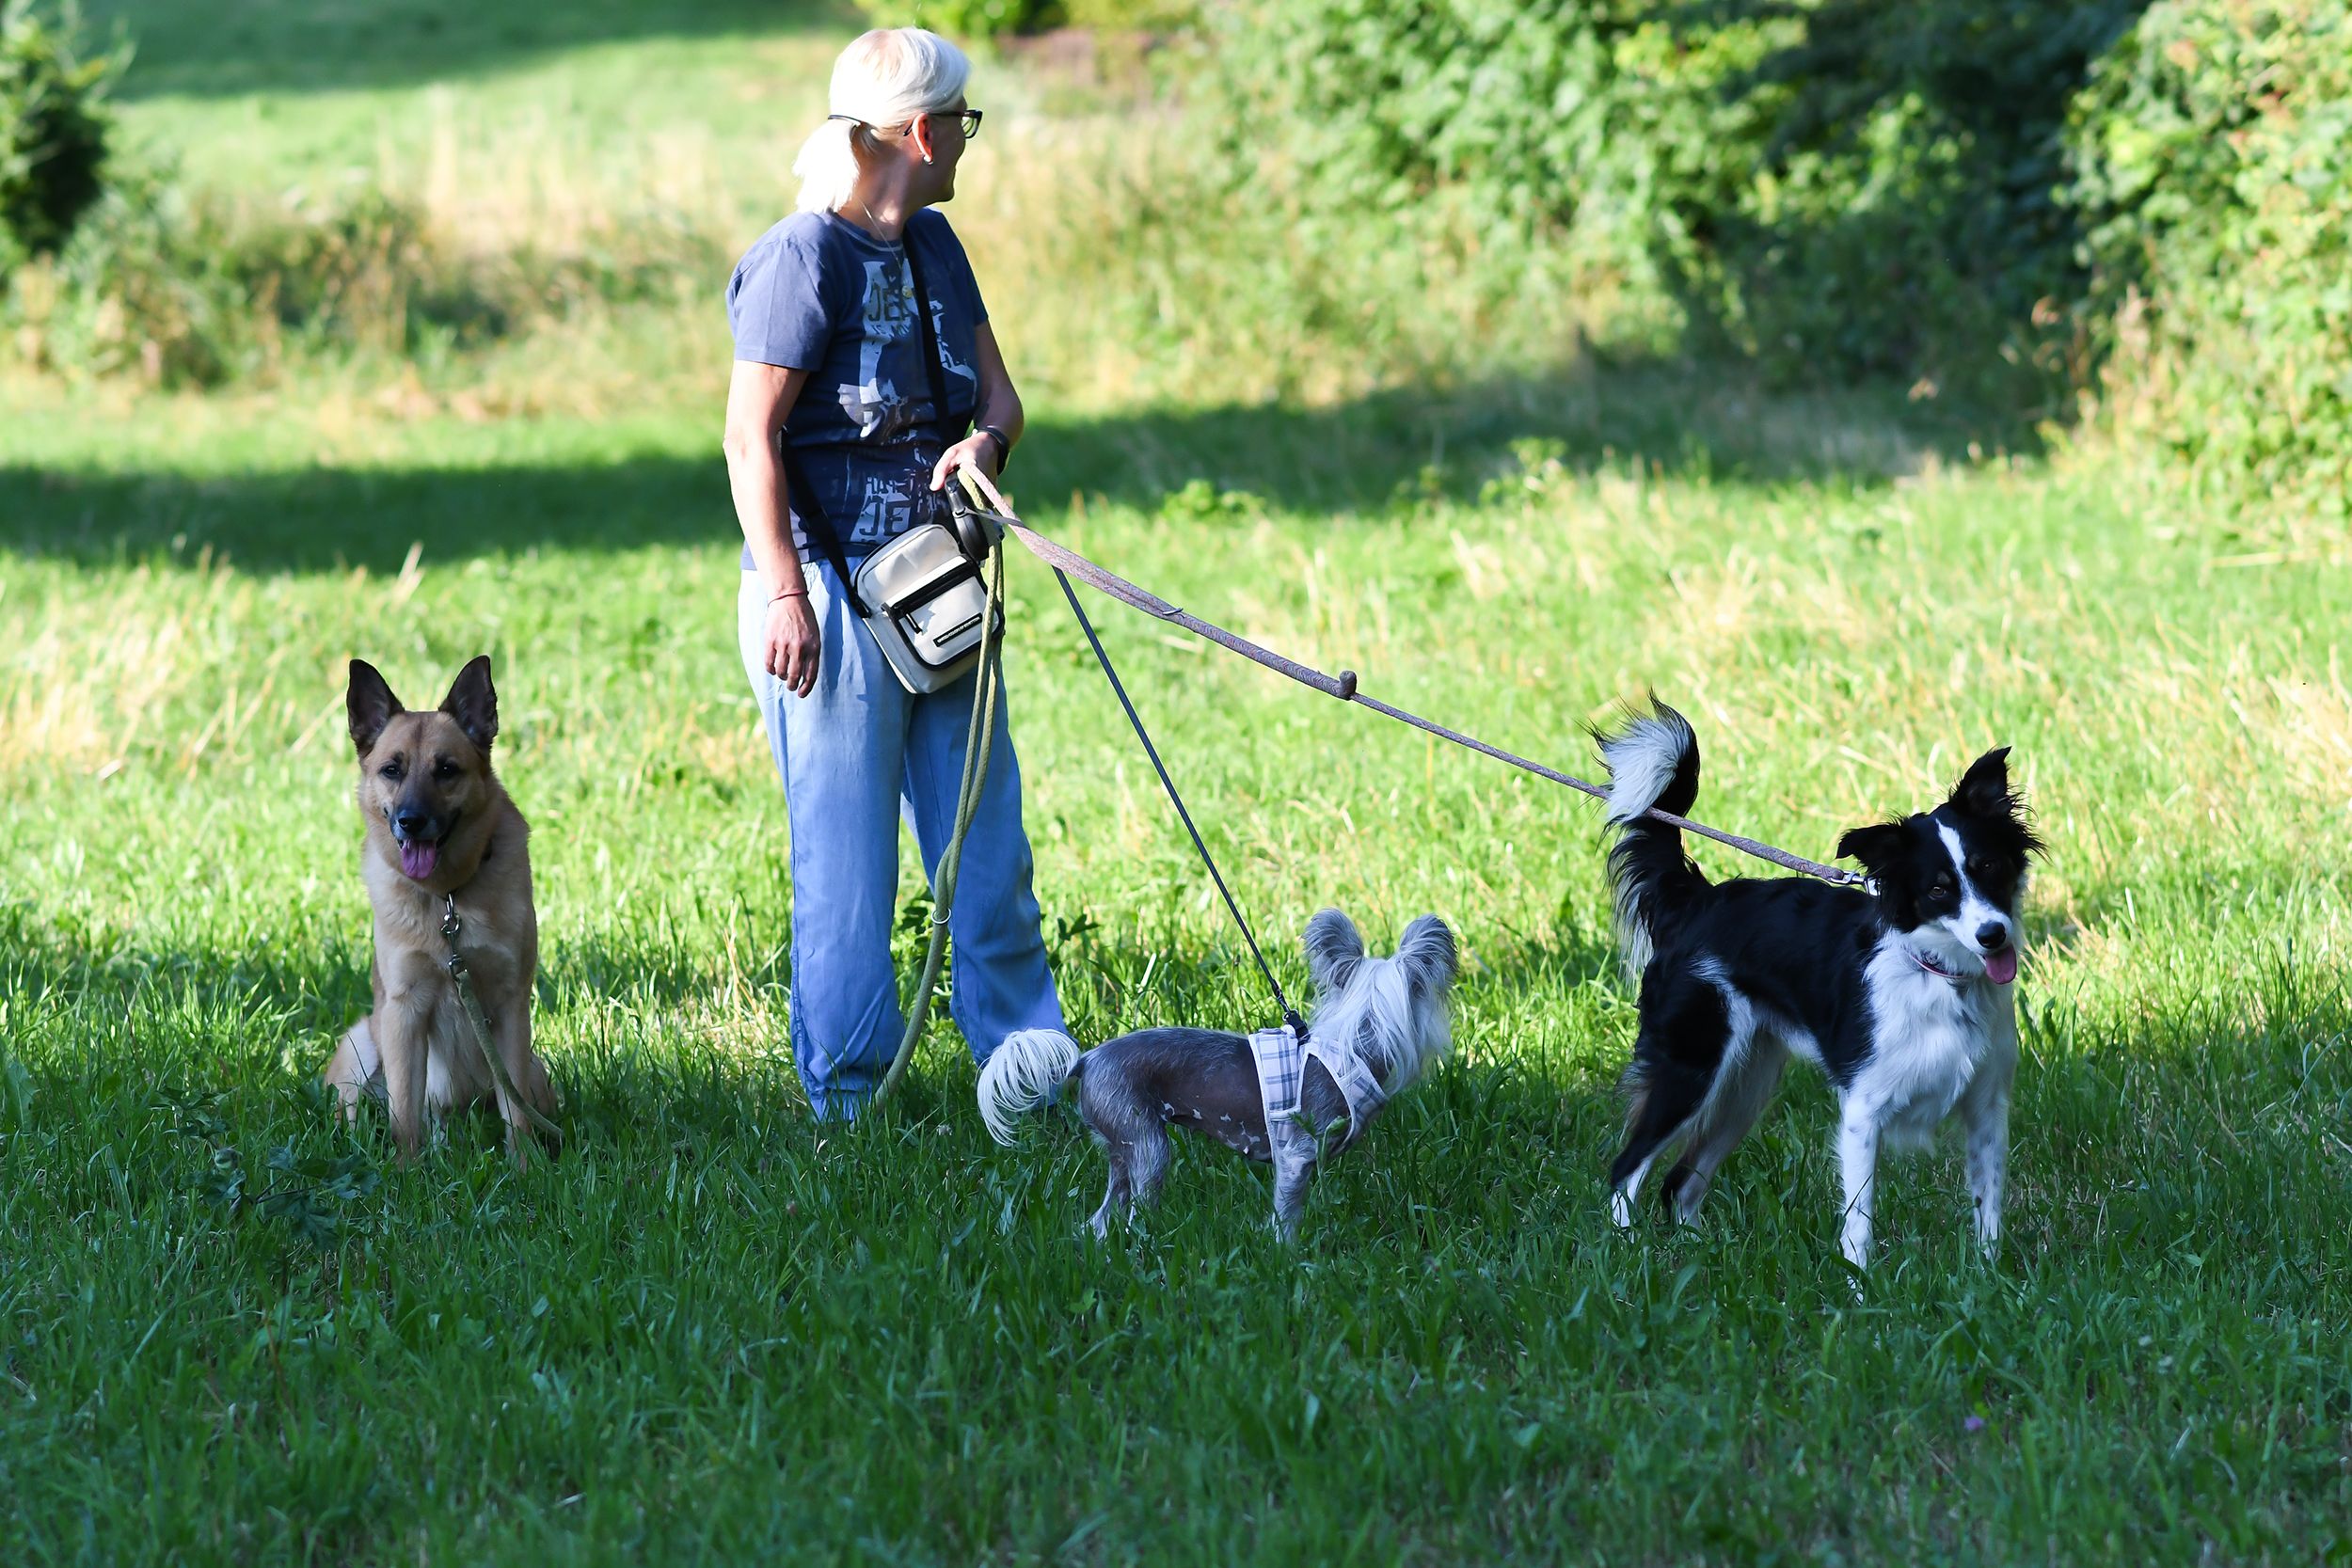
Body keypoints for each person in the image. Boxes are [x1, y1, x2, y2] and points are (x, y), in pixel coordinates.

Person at [721, 26, 1062, 1119]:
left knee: (986, 850)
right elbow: (748, 441)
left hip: (939, 593)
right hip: (821, 600)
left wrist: (986, 448)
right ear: (918, 132)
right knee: (848, 873)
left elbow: (999, 399)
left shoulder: (935, 247)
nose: (967, 140)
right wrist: (784, 590)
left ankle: (1028, 1074)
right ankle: (849, 1102)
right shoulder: (798, 258)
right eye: (961, 121)